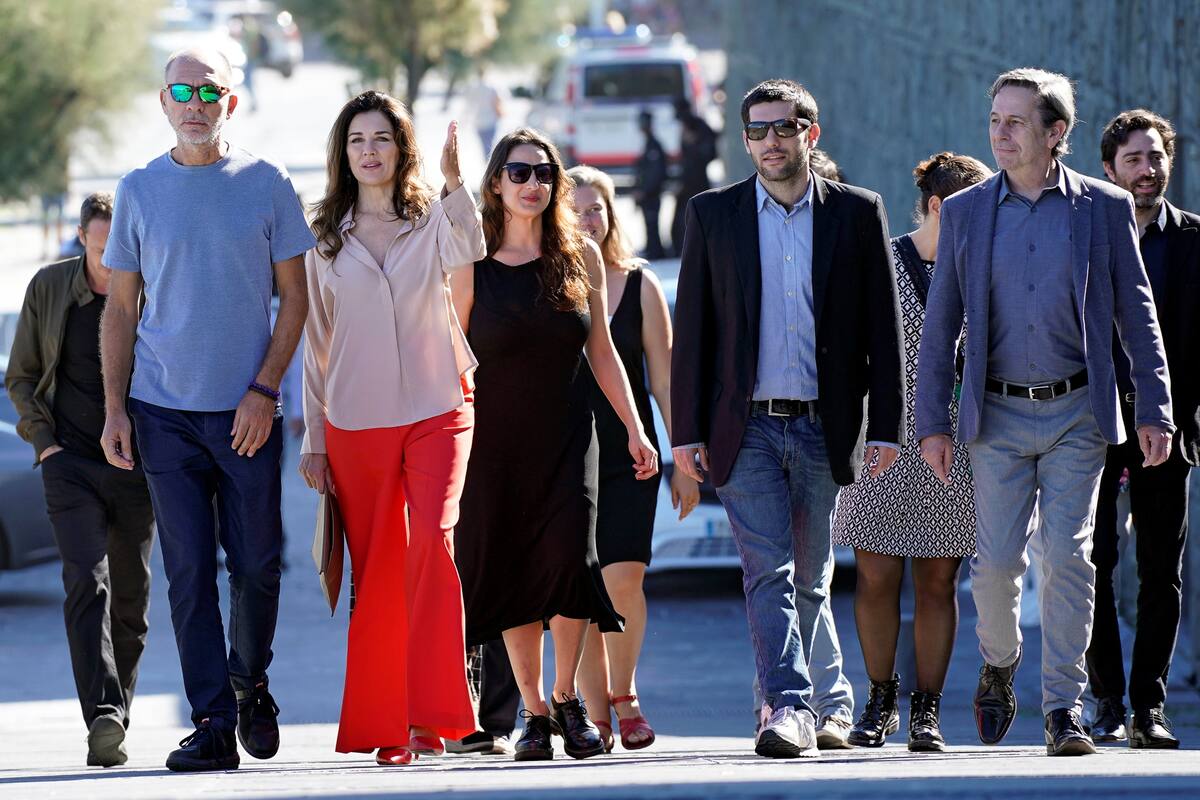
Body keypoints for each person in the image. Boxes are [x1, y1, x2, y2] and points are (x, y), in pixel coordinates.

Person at [915, 68, 1174, 757]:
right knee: (996, 566)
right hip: (994, 415)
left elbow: (1137, 317)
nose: (1000, 133)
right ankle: (1000, 662)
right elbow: (941, 324)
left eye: (1016, 122)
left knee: (1068, 557)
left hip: (1076, 415)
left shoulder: (1104, 207)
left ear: (1056, 133)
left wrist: (1156, 409)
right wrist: (932, 424)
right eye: (994, 119)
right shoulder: (967, 211)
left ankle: (1066, 707)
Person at [671, 79, 905, 759]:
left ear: (812, 132)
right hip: (743, 428)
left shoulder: (858, 214)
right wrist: (685, 431)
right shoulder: (713, 215)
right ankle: (792, 706)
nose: (772, 141)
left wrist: (886, 426)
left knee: (811, 576)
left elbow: (881, 333)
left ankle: (831, 703)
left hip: (821, 425)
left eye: (785, 127)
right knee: (767, 572)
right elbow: (695, 331)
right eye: (759, 130)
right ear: (744, 140)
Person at [98, 48, 315, 772]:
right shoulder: (137, 189)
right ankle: (213, 723)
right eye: (180, 91)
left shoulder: (267, 184)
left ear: (232, 99)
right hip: (162, 412)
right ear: (162, 102)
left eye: (209, 91)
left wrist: (265, 390)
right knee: (188, 574)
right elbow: (121, 309)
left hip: (246, 411)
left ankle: (250, 682)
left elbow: (297, 300)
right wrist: (115, 410)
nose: (194, 103)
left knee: (257, 566)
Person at [451, 128, 658, 762]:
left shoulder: (581, 258)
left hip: (571, 439)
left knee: (571, 561)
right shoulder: (472, 266)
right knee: (512, 568)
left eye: (543, 173)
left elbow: (604, 352)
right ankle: (533, 714)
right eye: (518, 173)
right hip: (492, 445)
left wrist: (636, 427)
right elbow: (450, 358)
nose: (532, 184)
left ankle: (568, 700)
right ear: (496, 183)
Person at [297, 91, 485, 766]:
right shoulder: (321, 234)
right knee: (378, 571)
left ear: (401, 148)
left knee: (431, 546)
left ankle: (432, 712)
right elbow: (316, 342)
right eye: (357, 140)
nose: (369, 150)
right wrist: (314, 437)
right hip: (355, 419)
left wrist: (457, 180)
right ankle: (393, 723)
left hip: (438, 405)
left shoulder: (430, 217)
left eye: (382, 138)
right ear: (343, 154)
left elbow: (475, 244)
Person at [832, 153, 992, 752]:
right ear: (937, 206)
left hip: (957, 442)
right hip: (883, 437)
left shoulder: (984, 269)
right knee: (874, 574)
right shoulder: (883, 258)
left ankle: (926, 709)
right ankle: (879, 699)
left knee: (938, 580)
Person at [6, 192, 156, 769]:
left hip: (135, 465)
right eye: (99, 250)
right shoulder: (49, 287)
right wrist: (44, 445)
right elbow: (21, 375)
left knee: (131, 598)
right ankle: (102, 714)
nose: (108, 264)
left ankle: (119, 711)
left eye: (117, 252)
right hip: (68, 463)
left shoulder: (149, 287)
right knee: (84, 582)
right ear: (81, 237)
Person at [568, 165, 699, 752]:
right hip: (563, 455)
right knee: (578, 586)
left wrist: (682, 461)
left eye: (595, 208)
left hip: (631, 453)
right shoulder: (542, 282)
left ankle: (625, 697)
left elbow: (666, 384)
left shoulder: (640, 284)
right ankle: (594, 716)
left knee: (624, 580)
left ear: (612, 213)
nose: (585, 220)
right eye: (574, 210)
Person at [1085, 109, 1200, 749]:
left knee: (1162, 568)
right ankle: (1105, 698)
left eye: (1155, 157)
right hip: (1095, 422)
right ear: (1109, 168)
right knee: (1094, 561)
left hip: (1169, 424)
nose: (1147, 170)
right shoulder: (1090, 236)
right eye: (1132, 160)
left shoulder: (1193, 239)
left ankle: (1147, 708)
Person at [670, 96, 716, 255]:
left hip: (698, 181)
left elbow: (710, 153)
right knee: (680, 220)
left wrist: (694, 143)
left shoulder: (699, 127)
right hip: (686, 180)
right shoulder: (686, 127)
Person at [633, 112, 668, 259]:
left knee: (652, 223)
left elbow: (655, 173)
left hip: (652, 194)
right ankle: (651, 248)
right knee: (648, 223)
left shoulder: (654, 145)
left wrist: (645, 191)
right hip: (647, 193)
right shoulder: (648, 144)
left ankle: (655, 251)